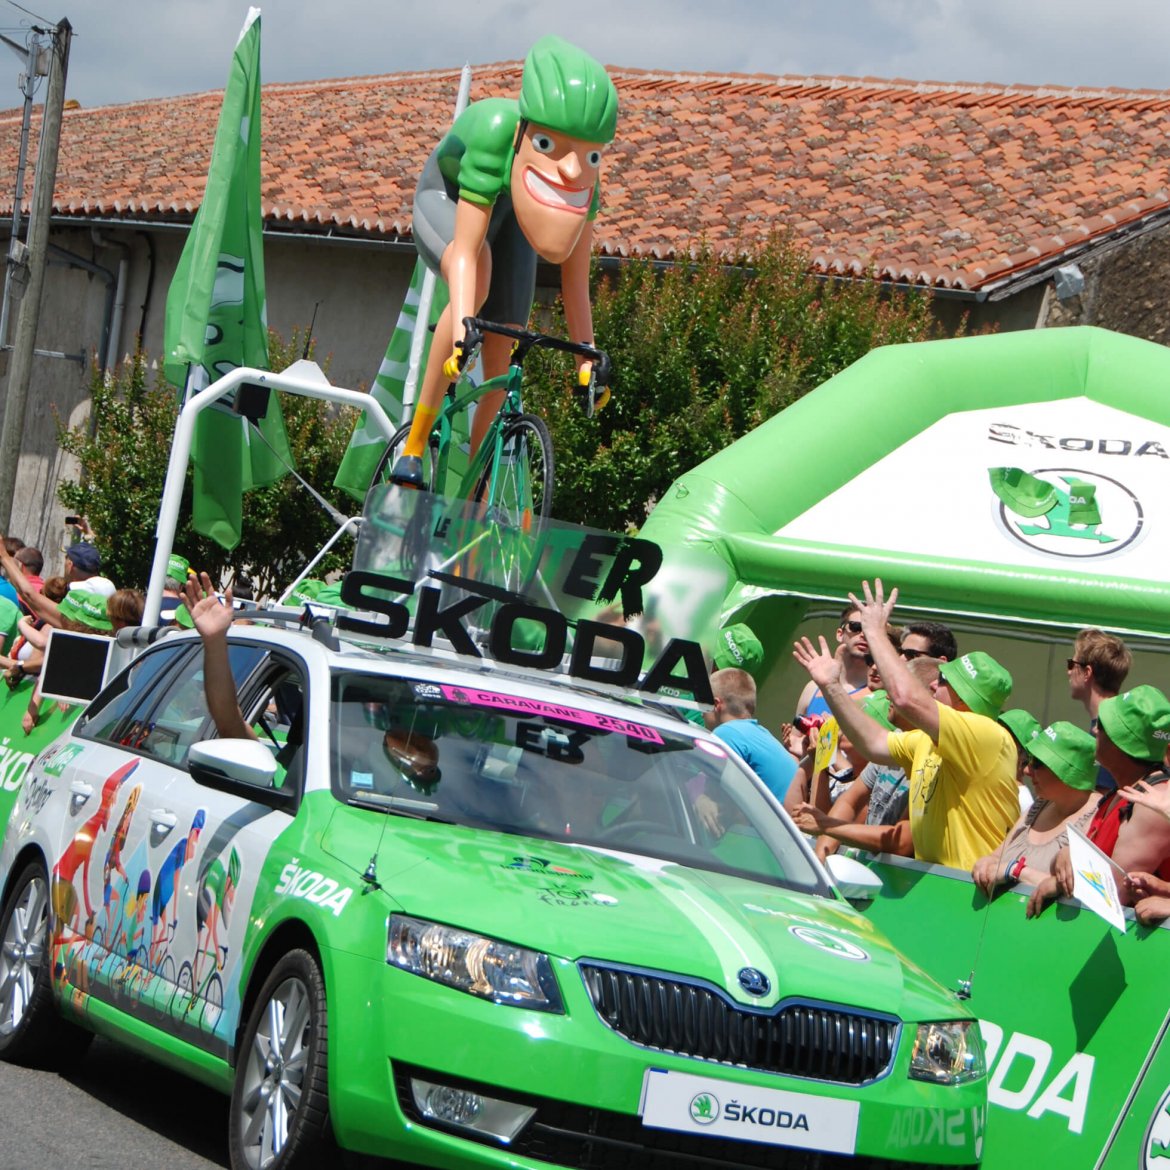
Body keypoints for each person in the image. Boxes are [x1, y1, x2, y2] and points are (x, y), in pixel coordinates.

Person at [390, 35, 619, 486]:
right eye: (553, 145)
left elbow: (575, 283)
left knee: (509, 335)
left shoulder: (584, 183)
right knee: (478, 278)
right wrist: (460, 329)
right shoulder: (497, 132)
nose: (574, 168)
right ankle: (414, 446)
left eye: (590, 154)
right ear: (525, 131)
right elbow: (466, 254)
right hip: (448, 197)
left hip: (513, 211)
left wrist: (586, 360)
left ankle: (477, 481)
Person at [794, 579, 1018, 870]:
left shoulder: (986, 734)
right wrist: (831, 686)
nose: (934, 683)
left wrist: (875, 632)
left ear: (966, 699)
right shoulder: (927, 740)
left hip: (971, 896)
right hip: (941, 886)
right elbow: (874, 743)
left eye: (946, 681)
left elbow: (904, 698)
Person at [1027, 684, 1170, 918]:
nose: (1094, 731)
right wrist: (1065, 856)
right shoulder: (1118, 794)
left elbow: (1110, 894)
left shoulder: (1150, 805)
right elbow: (1067, 861)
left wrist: (1044, 880)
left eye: (1102, 726)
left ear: (1121, 743)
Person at [971, 721, 1097, 896]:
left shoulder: (1098, 818)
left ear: (1066, 771)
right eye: (1028, 759)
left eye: (1037, 763)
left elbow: (1083, 891)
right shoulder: (1039, 805)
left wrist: (1017, 871)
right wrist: (985, 863)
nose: (1027, 770)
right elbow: (996, 856)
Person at [703, 667, 796, 803]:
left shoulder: (726, 733)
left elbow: (723, 795)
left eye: (703, 703)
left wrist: (703, 799)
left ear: (716, 704)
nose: (701, 712)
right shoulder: (761, 733)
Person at [1067, 627, 1132, 792]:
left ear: (1087, 672)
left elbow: (1100, 802)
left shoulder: (1107, 732)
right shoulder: (1125, 725)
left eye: (1071, 664)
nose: (1068, 672)